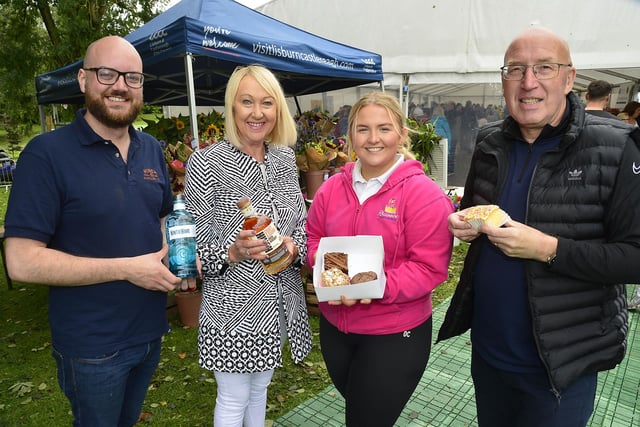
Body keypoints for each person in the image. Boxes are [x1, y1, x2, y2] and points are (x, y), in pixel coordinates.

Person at [437, 27, 640, 427]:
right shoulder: (489, 141)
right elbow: (480, 209)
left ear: (568, 79)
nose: (528, 82)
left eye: (543, 68)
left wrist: (549, 248)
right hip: (490, 353)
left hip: (561, 364)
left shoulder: (617, 146)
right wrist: (464, 221)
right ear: (503, 80)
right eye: (516, 69)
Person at [3, 36, 181, 426]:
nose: (120, 85)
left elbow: (163, 217)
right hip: (92, 346)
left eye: (132, 78)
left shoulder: (151, 148)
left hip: (149, 331)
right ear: (83, 80)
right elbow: (21, 261)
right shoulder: (46, 154)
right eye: (107, 74)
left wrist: (175, 253)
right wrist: (128, 268)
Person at [306, 91, 454, 426]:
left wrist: (372, 285)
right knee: (364, 410)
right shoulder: (331, 189)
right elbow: (313, 238)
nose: (373, 139)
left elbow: (429, 268)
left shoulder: (424, 195)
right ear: (350, 136)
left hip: (394, 332)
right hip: (336, 328)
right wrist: (335, 270)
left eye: (384, 129)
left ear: (402, 134)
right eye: (363, 129)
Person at [183, 64, 312, 427]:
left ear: (278, 110)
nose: (258, 113)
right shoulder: (205, 162)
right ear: (232, 107)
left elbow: (301, 223)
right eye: (247, 102)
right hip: (234, 309)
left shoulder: (285, 158)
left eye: (267, 103)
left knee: (260, 392)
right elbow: (191, 252)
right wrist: (233, 250)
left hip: (282, 303)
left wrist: (295, 246)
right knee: (234, 397)